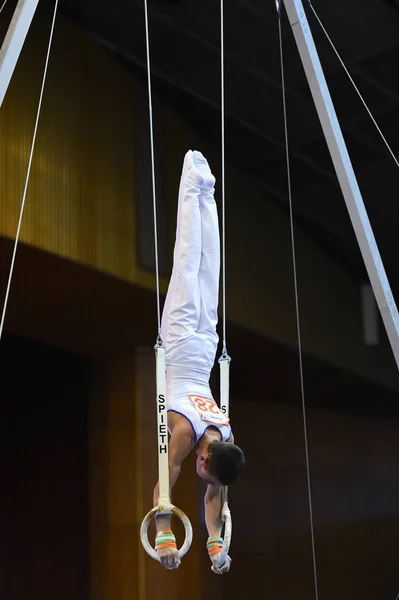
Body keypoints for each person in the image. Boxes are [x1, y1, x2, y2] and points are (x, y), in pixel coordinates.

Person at [153, 149, 245, 574]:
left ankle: (200, 184)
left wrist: (214, 545)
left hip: (193, 343)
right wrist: (163, 534)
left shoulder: (219, 440)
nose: (201, 477)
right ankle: (199, 184)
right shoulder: (191, 437)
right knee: (196, 261)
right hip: (193, 337)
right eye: (204, 474)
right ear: (207, 460)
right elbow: (165, 484)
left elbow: (211, 497)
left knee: (201, 267)